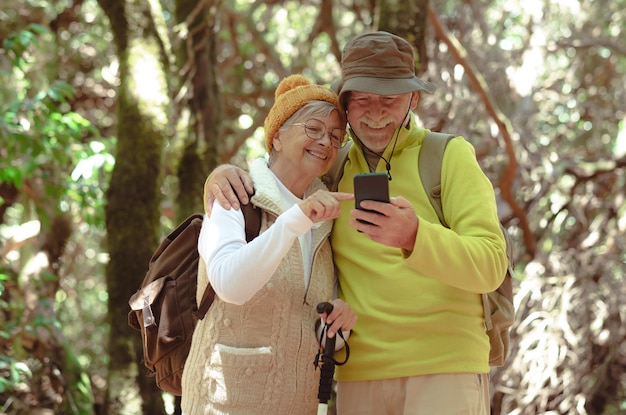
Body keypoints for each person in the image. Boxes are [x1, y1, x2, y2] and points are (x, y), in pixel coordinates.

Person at [205, 32, 508, 415]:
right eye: (362, 100)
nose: (376, 113)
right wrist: (220, 176)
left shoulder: (448, 156)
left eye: (390, 100)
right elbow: (278, 180)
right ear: (345, 105)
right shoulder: (333, 163)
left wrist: (415, 236)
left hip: (444, 367)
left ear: (412, 100)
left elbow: (491, 265)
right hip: (357, 377)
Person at [181, 74, 358, 415]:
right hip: (224, 403)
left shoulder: (325, 219)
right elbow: (230, 284)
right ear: (276, 137)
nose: (327, 142)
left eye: (336, 136)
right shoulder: (236, 195)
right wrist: (295, 220)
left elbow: (310, 325)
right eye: (313, 129)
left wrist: (340, 322)